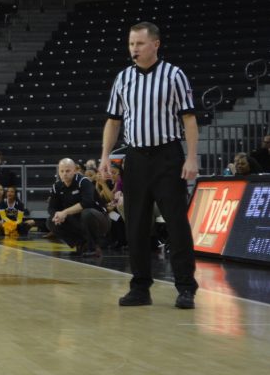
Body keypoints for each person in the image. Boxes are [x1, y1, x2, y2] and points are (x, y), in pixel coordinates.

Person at [99, 22, 199, 309]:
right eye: (131, 44)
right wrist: (105, 156)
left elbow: (189, 119)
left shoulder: (174, 75)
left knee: (176, 224)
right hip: (136, 158)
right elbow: (113, 121)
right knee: (136, 226)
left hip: (168, 156)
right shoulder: (123, 78)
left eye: (140, 44)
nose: (134, 49)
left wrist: (191, 157)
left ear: (156, 44)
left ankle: (186, 287)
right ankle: (140, 287)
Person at [48, 158, 110, 257]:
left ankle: (93, 248)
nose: (64, 174)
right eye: (62, 171)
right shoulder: (57, 186)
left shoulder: (83, 182)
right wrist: (57, 215)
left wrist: (65, 212)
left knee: (87, 213)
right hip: (78, 220)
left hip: (100, 220)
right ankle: (81, 245)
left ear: (75, 170)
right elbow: (51, 208)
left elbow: (87, 203)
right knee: (51, 221)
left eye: (68, 171)